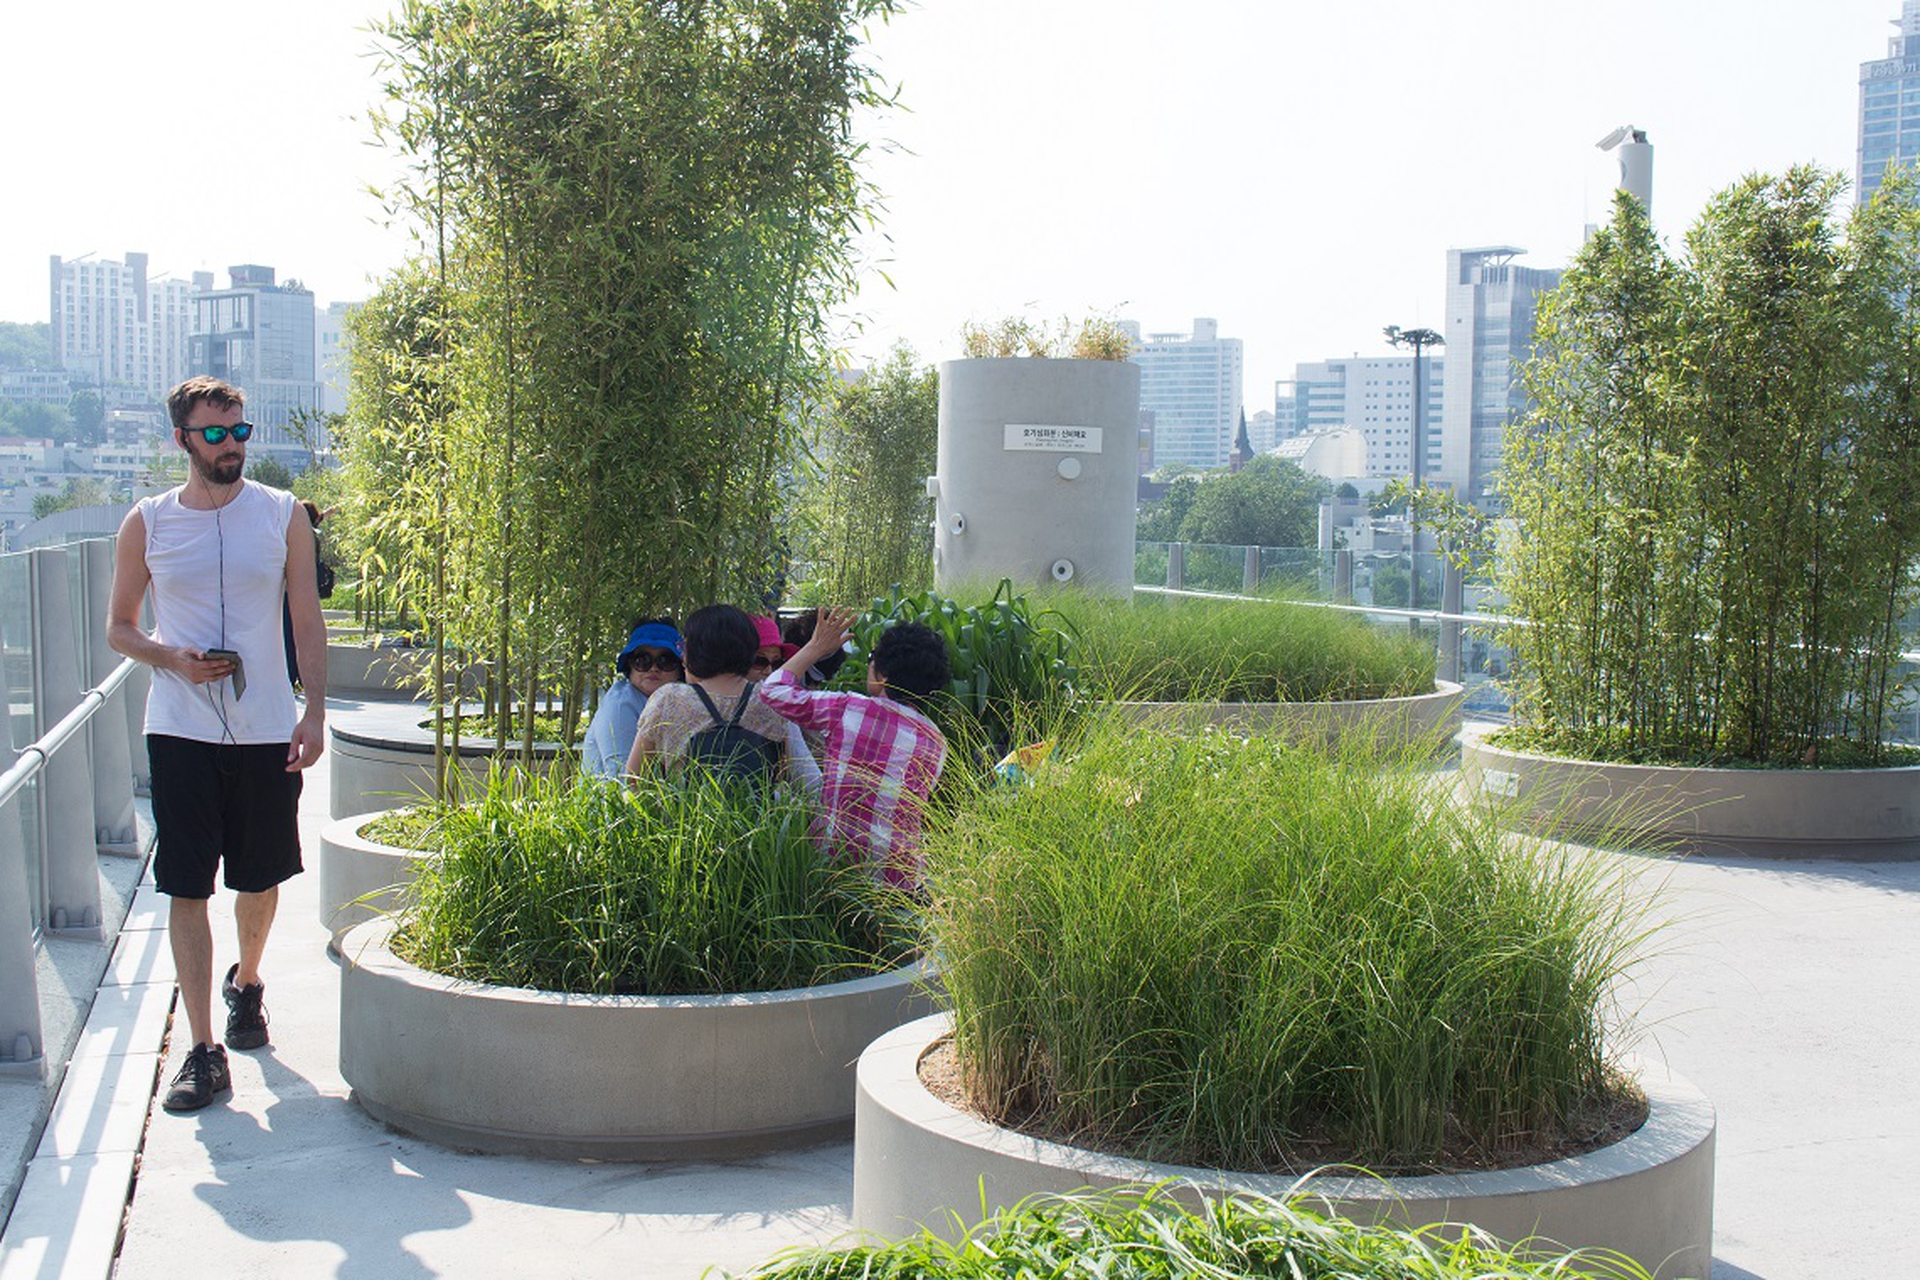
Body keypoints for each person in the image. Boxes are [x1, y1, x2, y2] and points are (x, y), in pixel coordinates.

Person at [107, 376, 327, 1114]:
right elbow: (120, 627)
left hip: (266, 723)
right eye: (214, 434)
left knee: (259, 879)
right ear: (182, 440)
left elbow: (306, 618)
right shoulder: (148, 523)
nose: (230, 445)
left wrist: (314, 712)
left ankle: (248, 981)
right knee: (186, 885)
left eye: (239, 432)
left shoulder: (283, 515)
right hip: (180, 727)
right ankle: (201, 1051)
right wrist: (171, 657)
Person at [760, 607, 949, 890]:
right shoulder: (936, 741)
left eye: (872, 659)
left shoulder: (847, 708)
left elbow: (773, 690)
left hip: (834, 872)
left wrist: (814, 647)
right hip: (899, 884)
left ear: (883, 674)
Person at [625, 604, 819, 794]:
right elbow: (806, 782)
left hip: (687, 824)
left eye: (684, 645)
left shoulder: (669, 699)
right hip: (759, 824)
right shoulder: (772, 701)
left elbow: (634, 780)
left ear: (697, 650)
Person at [582, 618, 683, 778]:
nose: (654, 668)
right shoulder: (620, 705)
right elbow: (624, 781)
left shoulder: (679, 701)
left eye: (665, 660)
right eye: (642, 660)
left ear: (680, 669)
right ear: (629, 666)